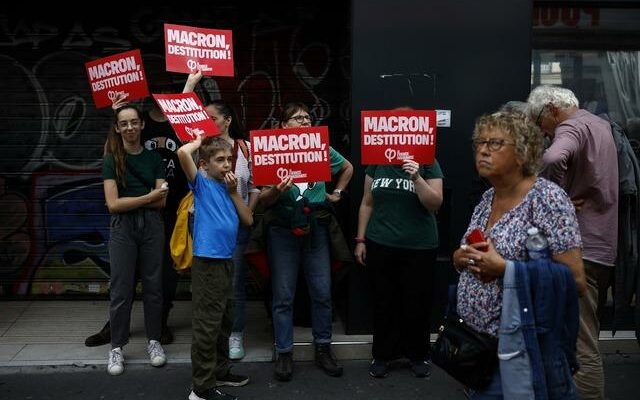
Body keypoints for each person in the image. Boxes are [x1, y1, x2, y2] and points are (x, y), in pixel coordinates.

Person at [452, 111, 586, 398]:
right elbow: (470, 251)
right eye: (480, 142)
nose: (483, 150)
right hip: (477, 349)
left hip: (520, 351)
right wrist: (459, 258)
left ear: (524, 153)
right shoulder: (488, 197)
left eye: (496, 143)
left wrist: (506, 269)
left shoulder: (547, 199)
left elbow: (575, 281)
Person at [527, 85, 618, 400]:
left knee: (582, 342)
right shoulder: (601, 125)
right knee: (582, 333)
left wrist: (554, 196)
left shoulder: (570, 127)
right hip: (603, 243)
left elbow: (553, 157)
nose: (541, 129)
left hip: (579, 247)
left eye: (539, 120)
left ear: (551, 109)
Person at [258, 102, 353, 381]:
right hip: (282, 229)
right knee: (283, 295)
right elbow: (262, 199)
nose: (304, 122)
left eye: (307, 118)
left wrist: (337, 192)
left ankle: (323, 348)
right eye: (297, 118)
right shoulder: (272, 149)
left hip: (316, 228)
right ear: (283, 126)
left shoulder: (320, 147)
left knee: (322, 291)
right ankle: (284, 351)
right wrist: (276, 190)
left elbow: (347, 167)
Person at [183, 72, 260, 360]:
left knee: (234, 282)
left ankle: (234, 335)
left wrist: (247, 211)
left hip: (237, 224)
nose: (205, 121)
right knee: (208, 284)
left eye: (211, 117)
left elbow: (254, 186)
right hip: (204, 225)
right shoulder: (200, 148)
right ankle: (209, 340)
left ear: (226, 120)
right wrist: (191, 84)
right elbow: (182, 120)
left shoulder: (244, 148)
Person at [354, 146, 444, 378]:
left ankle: (417, 355)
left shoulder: (428, 161)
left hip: (420, 245)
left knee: (417, 303)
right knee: (384, 302)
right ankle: (383, 355)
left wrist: (416, 177)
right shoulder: (377, 161)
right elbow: (367, 202)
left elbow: (435, 203)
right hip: (380, 241)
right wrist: (361, 239)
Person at [177, 134, 253, 400]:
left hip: (225, 261)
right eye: (219, 160)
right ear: (204, 165)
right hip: (207, 262)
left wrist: (234, 193)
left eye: (229, 159)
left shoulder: (227, 187)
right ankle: (201, 388)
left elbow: (248, 219)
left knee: (224, 320)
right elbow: (182, 154)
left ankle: (220, 371)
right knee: (207, 325)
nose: (226, 165)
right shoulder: (202, 184)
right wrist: (198, 142)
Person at [102, 104, 169, 375]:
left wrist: (147, 200)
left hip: (152, 226)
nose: (129, 128)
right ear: (117, 128)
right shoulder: (111, 159)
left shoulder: (154, 159)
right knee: (120, 289)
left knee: (154, 286)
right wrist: (148, 198)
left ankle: (154, 341)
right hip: (123, 228)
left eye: (134, 122)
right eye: (124, 123)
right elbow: (113, 204)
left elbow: (162, 203)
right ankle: (117, 347)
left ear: (142, 125)